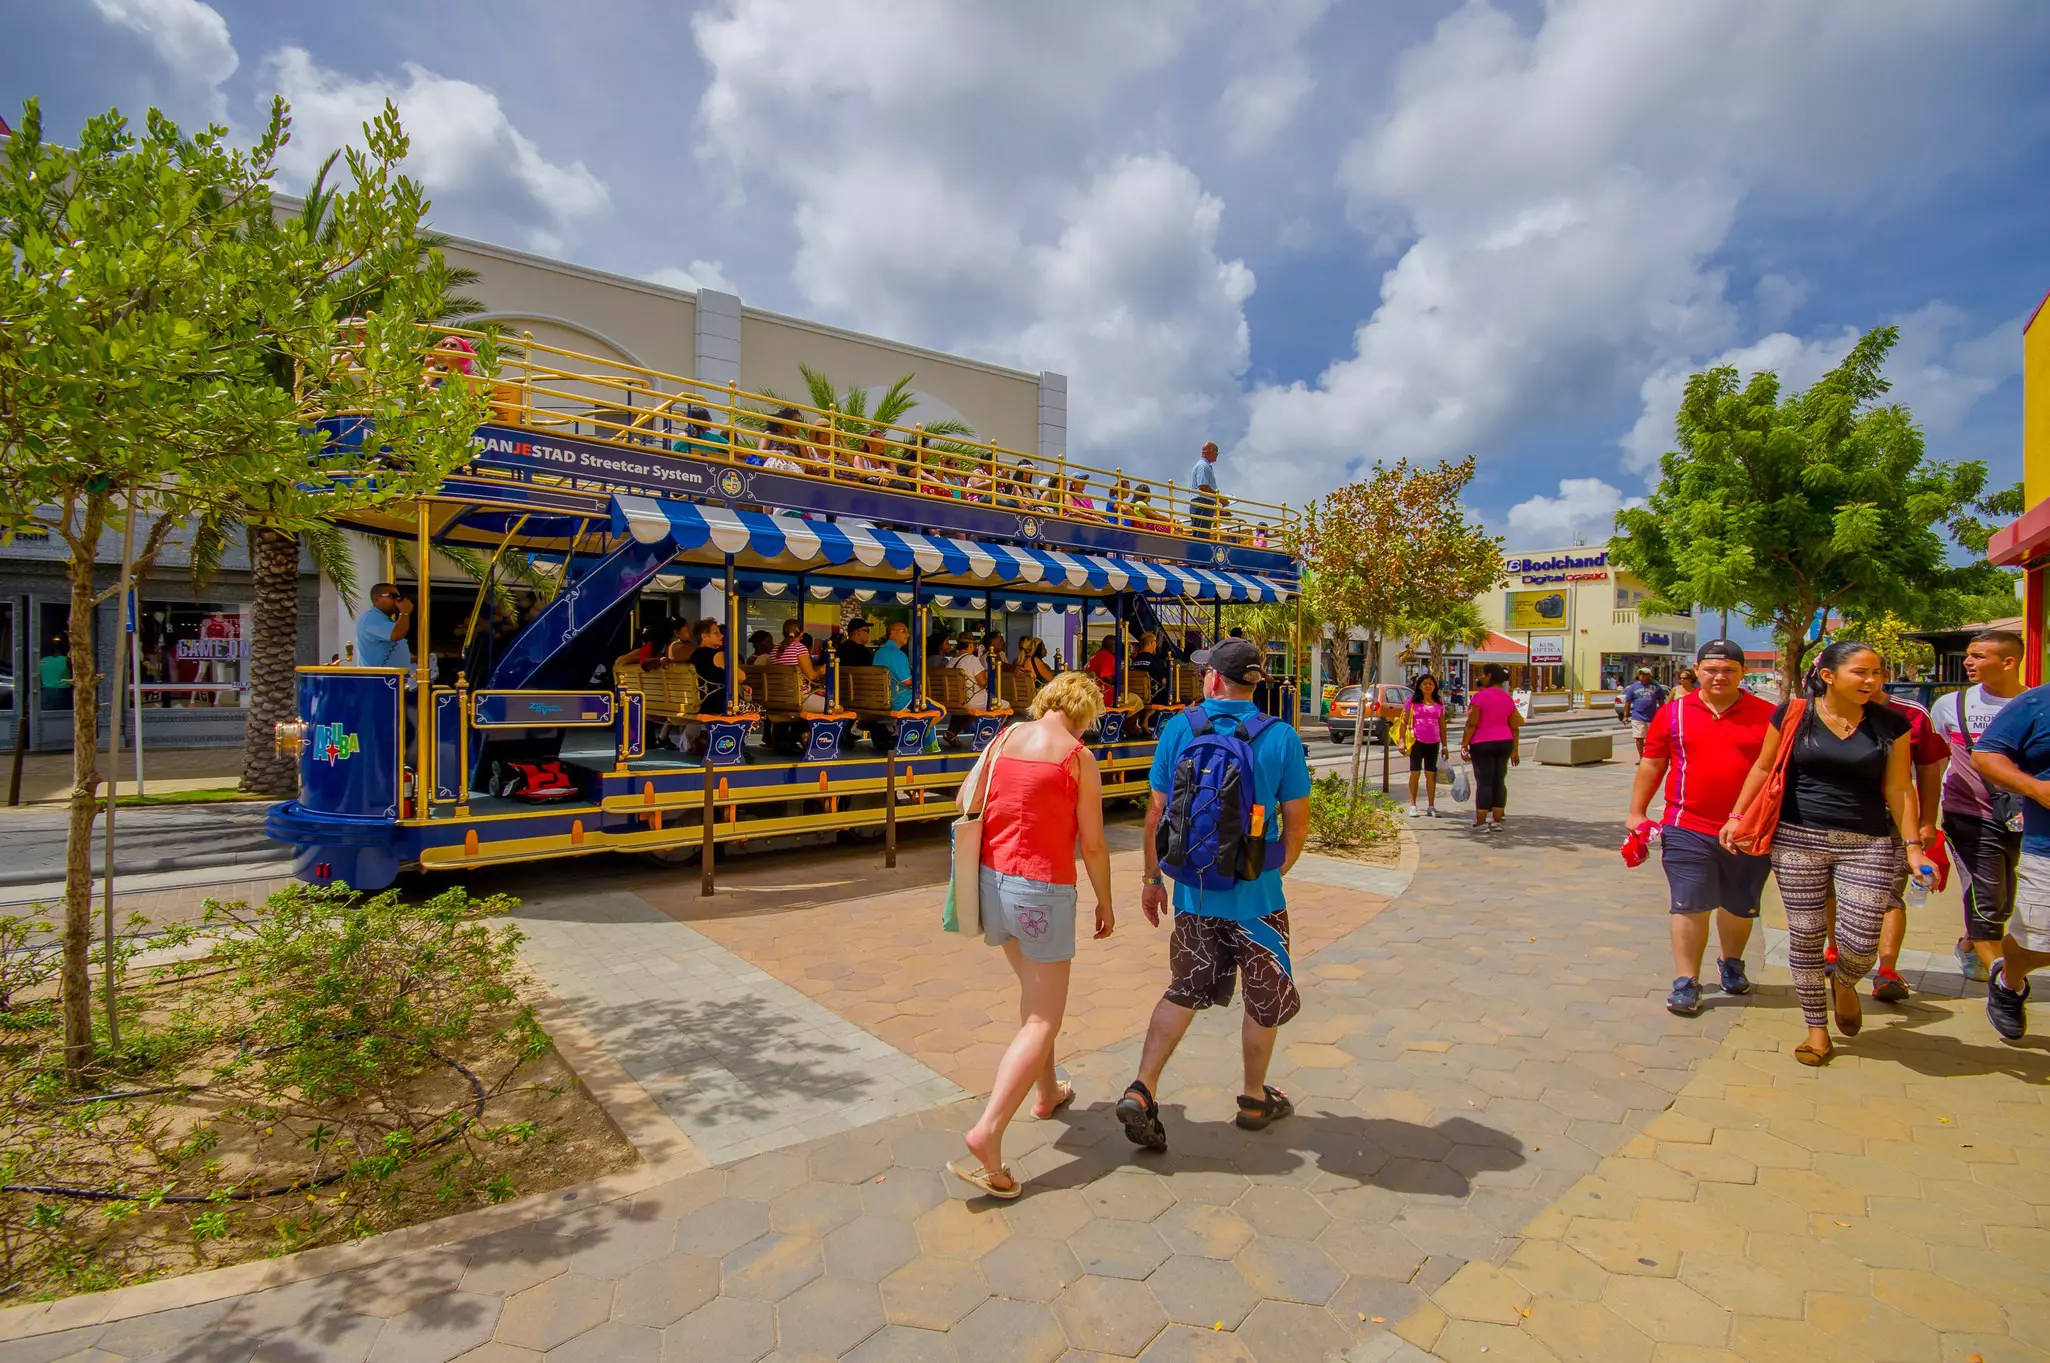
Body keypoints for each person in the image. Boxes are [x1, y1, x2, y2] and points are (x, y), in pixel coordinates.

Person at [1116, 639, 1311, 1151]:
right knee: (1262, 999)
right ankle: (1252, 1097)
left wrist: (1153, 879)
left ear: (1215, 680)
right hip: (1259, 900)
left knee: (1183, 989)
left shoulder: (1181, 729)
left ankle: (1142, 1089)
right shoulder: (1281, 736)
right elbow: (1297, 824)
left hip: (1195, 895)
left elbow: (1156, 814)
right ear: (1253, 683)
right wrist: (1273, 869)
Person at [1721, 641, 1937, 1066]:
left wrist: (1913, 846)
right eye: (1861, 672)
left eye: (1877, 672)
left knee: (1861, 942)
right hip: (1798, 838)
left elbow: (1899, 788)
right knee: (1804, 934)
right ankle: (1816, 1030)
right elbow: (1764, 767)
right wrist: (1737, 814)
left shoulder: (1892, 725)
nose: (1872, 680)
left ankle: (1845, 982)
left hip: (1869, 843)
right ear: (1829, 676)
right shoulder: (1794, 714)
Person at [949, 672, 1116, 1199]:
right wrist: (1106, 900)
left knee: (1035, 1001)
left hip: (990, 882)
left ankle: (1046, 1093)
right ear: (1086, 712)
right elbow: (1092, 844)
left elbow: (963, 798)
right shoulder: (1078, 758)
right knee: (1045, 1016)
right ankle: (989, 1131)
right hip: (1042, 891)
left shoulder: (1002, 738)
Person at [1627, 641, 1776, 1016]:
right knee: (1688, 902)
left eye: (1728, 669)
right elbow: (1652, 763)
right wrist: (1637, 812)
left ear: (1742, 673)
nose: (1719, 676)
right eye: (1711, 669)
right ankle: (1686, 981)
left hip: (1748, 830)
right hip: (1685, 824)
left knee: (1739, 905)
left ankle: (1731, 962)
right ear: (1697, 670)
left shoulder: (1767, 715)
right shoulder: (1673, 713)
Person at [1932, 630, 2027, 987]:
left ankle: (1969, 943)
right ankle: (2005, 987)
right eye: (1969, 655)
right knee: (1986, 896)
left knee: (2004, 896)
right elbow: (1939, 760)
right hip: (1968, 816)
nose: (1969, 662)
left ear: (2008, 662)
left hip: (2024, 818)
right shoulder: (1951, 705)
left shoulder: (2035, 704)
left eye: (1979, 656)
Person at [1966, 674, 2050, 1041]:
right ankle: (2009, 979)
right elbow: (1985, 756)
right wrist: (2036, 789)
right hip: (2046, 844)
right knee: (2039, 942)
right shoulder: (2037, 703)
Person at [1459, 663, 1522, 831]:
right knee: (1499, 779)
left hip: (1482, 742)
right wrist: (1515, 749)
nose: (1481, 677)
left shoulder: (1479, 697)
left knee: (1484, 780)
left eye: (1483, 674)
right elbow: (1515, 725)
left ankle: (1481, 822)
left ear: (1489, 676)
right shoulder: (1507, 698)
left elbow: (1472, 723)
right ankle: (1496, 820)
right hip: (1505, 741)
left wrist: (1464, 744)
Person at [1405, 674, 1447, 818]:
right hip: (1416, 741)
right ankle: (1413, 805)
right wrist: (1400, 741)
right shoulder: (1412, 701)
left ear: (1435, 686)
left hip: (1434, 742)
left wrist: (1445, 745)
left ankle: (1431, 805)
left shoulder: (1439, 702)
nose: (1428, 686)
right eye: (1425, 684)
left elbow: (1442, 725)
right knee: (1415, 773)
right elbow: (1404, 722)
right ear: (1419, 686)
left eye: (1430, 684)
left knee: (1431, 774)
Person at [356, 583, 413, 670]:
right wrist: (404, 612)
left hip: (392, 679)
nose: (397, 599)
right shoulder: (371, 619)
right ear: (376, 599)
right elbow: (397, 634)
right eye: (392, 596)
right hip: (378, 680)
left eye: (398, 596)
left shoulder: (384, 620)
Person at [1621, 667, 1669, 758]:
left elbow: (1661, 702)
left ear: (1649, 676)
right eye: (1641, 674)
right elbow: (1628, 702)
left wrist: (1662, 715)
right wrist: (1625, 716)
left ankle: (1649, 755)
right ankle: (1641, 757)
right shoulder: (1633, 687)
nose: (1642, 676)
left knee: (1651, 739)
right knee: (1639, 737)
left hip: (1652, 717)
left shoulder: (1656, 686)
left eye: (1644, 674)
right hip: (1637, 715)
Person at [874, 619, 916, 710]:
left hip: (881, 699)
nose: (908, 635)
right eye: (904, 631)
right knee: (939, 710)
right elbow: (908, 682)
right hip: (901, 700)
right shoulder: (898, 654)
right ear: (892, 633)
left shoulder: (879, 653)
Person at [1189, 440, 1220, 536]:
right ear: (1210, 451)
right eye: (1216, 452)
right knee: (1201, 534)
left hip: (1201, 503)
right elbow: (1203, 486)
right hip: (1203, 503)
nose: (1217, 455)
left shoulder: (1203, 465)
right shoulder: (1203, 466)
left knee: (1200, 532)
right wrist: (1218, 497)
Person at [1085, 636, 1118, 708]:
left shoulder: (1095, 655)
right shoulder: (1107, 656)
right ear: (1113, 646)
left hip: (1089, 691)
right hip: (1102, 693)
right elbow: (1107, 677)